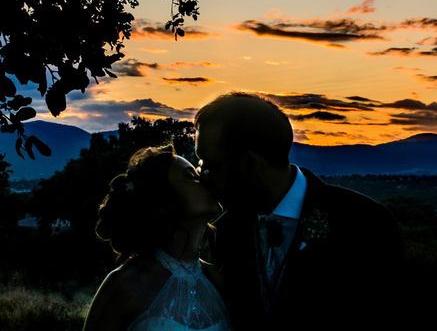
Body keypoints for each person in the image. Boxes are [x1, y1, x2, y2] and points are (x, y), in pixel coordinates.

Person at [194, 92, 408, 331]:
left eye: (210, 165)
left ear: (250, 163)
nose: (202, 177)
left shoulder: (364, 221)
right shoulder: (226, 231)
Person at [83, 144, 233, 331]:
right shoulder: (126, 284)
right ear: (164, 200)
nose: (206, 181)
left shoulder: (218, 280)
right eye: (191, 176)